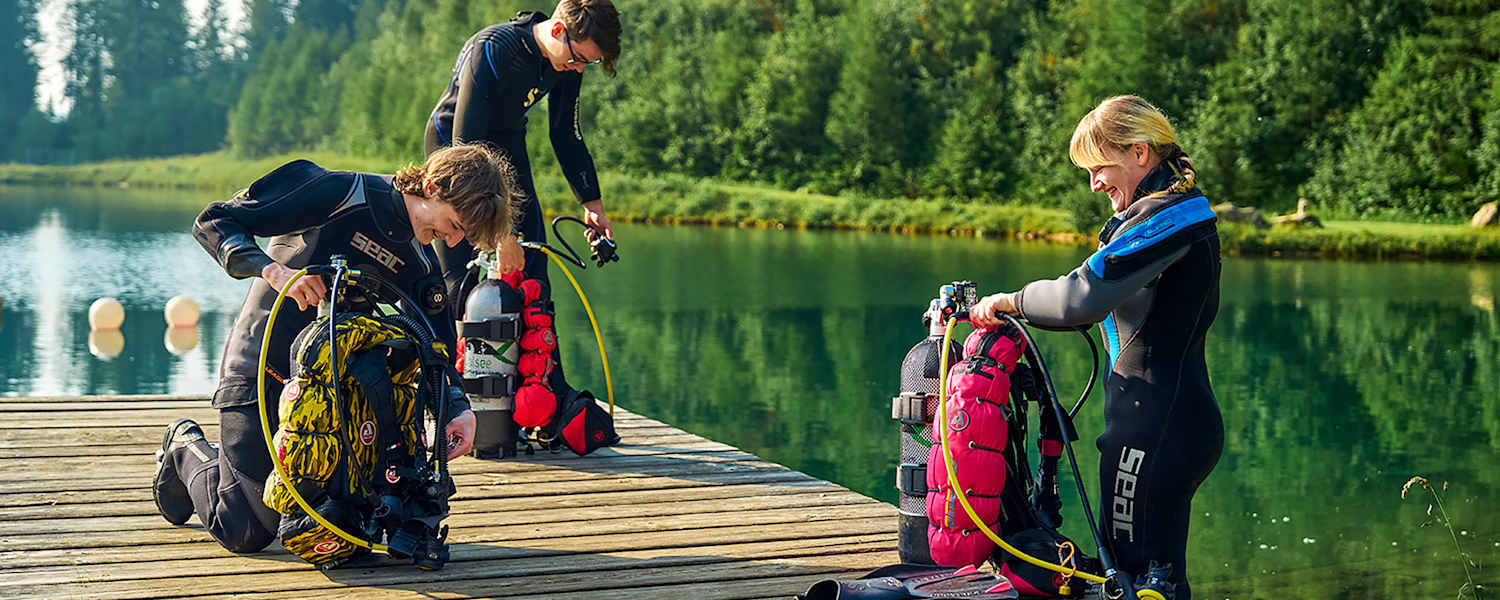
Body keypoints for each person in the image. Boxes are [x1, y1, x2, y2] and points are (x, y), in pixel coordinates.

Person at [152, 143, 515, 554]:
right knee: (246, 529)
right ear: (432, 186)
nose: (452, 239)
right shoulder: (339, 194)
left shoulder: (421, 264)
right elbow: (214, 221)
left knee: (340, 523)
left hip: (329, 401)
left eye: (462, 234)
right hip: (261, 366)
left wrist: (458, 409)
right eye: (453, 224)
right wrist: (275, 272)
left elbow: (438, 348)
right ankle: (185, 446)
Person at [968, 95, 1224, 600]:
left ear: (1139, 153)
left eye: (1099, 167)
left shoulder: (1166, 219)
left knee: (1137, 582)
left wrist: (1009, 301)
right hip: (1165, 422)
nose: (1094, 183)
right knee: (1146, 580)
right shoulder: (1174, 213)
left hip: (1153, 432)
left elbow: (1079, 298)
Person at [424, 0, 621, 398]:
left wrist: (592, 203)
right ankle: (448, 394)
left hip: (507, 151)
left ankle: (546, 391)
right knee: (457, 279)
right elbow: (466, 145)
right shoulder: (493, 48)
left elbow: (566, 134)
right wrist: (500, 233)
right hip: (455, 154)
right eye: (579, 59)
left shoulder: (566, 61)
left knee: (534, 271)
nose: (578, 69)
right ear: (558, 30)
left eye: (589, 64)